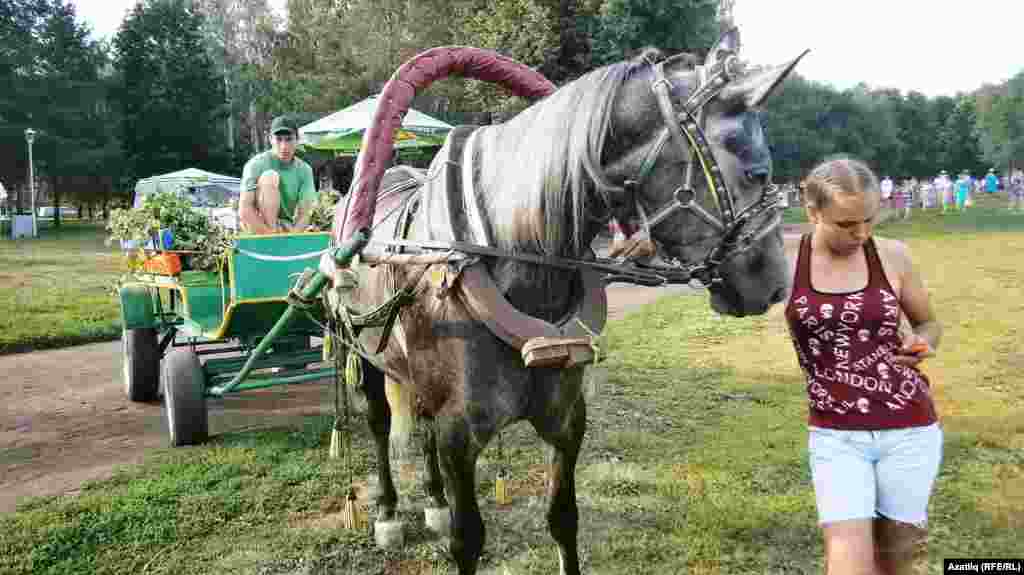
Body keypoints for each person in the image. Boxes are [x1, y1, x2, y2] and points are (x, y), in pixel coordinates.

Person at [784, 156, 943, 575]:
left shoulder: (893, 255)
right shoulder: (787, 260)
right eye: (846, 224)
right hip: (835, 434)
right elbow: (718, 278)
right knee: (848, 558)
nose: (862, 233)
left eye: (870, 219)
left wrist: (922, 342)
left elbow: (928, 323)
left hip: (909, 427)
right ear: (813, 212)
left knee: (897, 560)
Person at [239, 115, 317, 234]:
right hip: (256, 225)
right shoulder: (255, 164)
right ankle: (272, 232)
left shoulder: (305, 170)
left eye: (289, 139)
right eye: (279, 139)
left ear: (297, 140)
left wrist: (292, 237)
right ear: (270, 139)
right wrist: (270, 236)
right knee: (269, 177)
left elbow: (306, 212)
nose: (284, 146)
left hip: (285, 227)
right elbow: (245, 210)